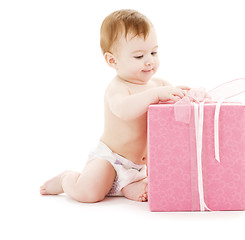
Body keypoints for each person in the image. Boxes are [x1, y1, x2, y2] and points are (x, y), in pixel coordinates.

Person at [40, 9, 189, 203]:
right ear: (113, 60)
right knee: (89, 193)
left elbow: (171, 116)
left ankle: (128, 185)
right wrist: (155, 95)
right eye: (139, 56)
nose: (149, 61)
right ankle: (67, 179)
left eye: (153, 52)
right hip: (110, 159)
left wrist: (183, 96)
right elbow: (124, 110)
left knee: (157, 183)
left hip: (138, 167)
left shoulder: (160, 84)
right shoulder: (118, 88)